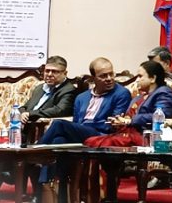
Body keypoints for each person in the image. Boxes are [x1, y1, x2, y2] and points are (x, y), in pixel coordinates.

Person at [0, 56, 78, 202]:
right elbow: (24, 106)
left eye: (55, 72)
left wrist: (30, 114)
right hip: (22, 130)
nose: (49, 74)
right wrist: (21, 112)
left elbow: (60, 110)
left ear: (65, 73)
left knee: (10, 141)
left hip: (37, 134)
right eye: (47, 71)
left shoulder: (68, 90)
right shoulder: (40, 88)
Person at [36, 57, 132, 188]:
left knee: (58, 124)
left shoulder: (121, 93)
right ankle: (47, 187)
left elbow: (112, 123)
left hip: (101, 135)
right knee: (58, 141)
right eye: (103, 76)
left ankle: (35, 153)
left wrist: (85, 126)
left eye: (111, 74)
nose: (109, 78)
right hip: (82, 133)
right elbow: (76, 122)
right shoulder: (82, 97)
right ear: (93, 78)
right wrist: (80, 128)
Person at [99, 60, 172, 139]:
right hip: (127, 134)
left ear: (153, 78)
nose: (137, 80)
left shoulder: (164, 92)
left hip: (147, 136)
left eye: (140, 76)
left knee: (96, 141)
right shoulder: (140, 97)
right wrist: (119, 121)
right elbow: (128, 118)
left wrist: (130, 121)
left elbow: (162, 115)